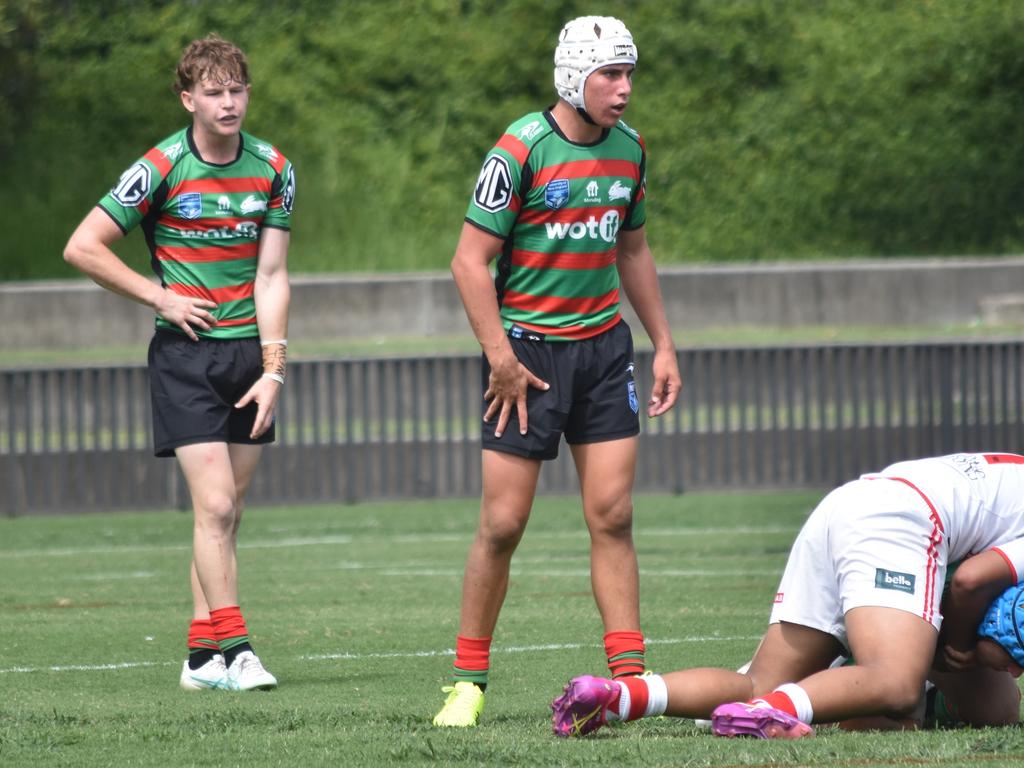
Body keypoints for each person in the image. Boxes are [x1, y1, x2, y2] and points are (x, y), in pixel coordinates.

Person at [433, 15, 681, 728]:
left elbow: (632, 251)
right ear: (573, 77)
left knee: (614, 514)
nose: (625, 90)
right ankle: (468, 683)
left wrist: (661, 342)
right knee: (504, 524)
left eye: (630, 74)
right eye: (611, 75)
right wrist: (501, 358)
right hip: (528, 358)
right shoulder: (521, 150)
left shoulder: (630, 150)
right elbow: (468, 262)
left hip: (605, 351)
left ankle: (628, 683)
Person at [63, 34, 295, 692]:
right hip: (184, 356)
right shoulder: (161, 166)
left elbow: (273, 276)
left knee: (228, 512)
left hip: (249, 357)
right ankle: (239, 650)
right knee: (215, 507)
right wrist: (160, 295)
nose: (229, 102)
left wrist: (274, 368)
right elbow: (84, 246)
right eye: (215, 92)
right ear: (188, 97)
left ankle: (200, 657)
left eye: (237, 89)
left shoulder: (275, 167)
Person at [551, 452, 1024, 737]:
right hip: (902, 521)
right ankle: (766, 714)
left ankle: (615, 696)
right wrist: (959, 644)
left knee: (760, 681)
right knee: (896, 683)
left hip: (855, 504)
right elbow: (971, 579)